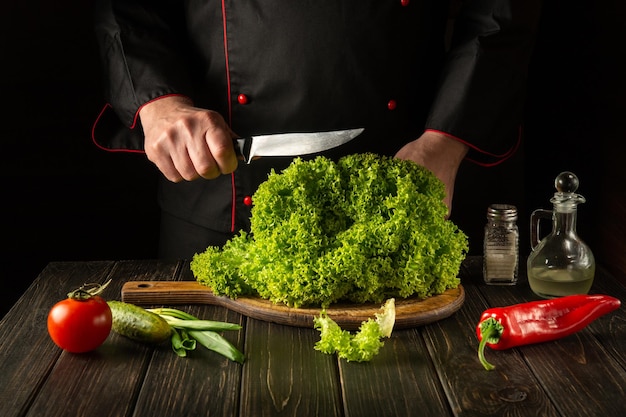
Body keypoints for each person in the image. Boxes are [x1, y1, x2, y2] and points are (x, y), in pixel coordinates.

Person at [92, 0, 542, 260]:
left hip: (400, 180)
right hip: (217, 194)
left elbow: (499, 11)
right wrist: (161, 106)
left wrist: (444, 143)